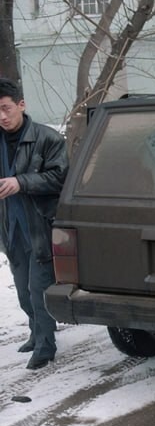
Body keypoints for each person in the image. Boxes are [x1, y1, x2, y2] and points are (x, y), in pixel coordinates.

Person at [0, 78, 69, 370]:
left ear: (21, 105)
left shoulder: (47, 138)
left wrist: (21, 182)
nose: (2, 117)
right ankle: (35, 332)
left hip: (39, 225)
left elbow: (60, 178)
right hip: (10, 227)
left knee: (39, 288)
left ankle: (45, 346)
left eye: (6, 109)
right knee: (22, 290)